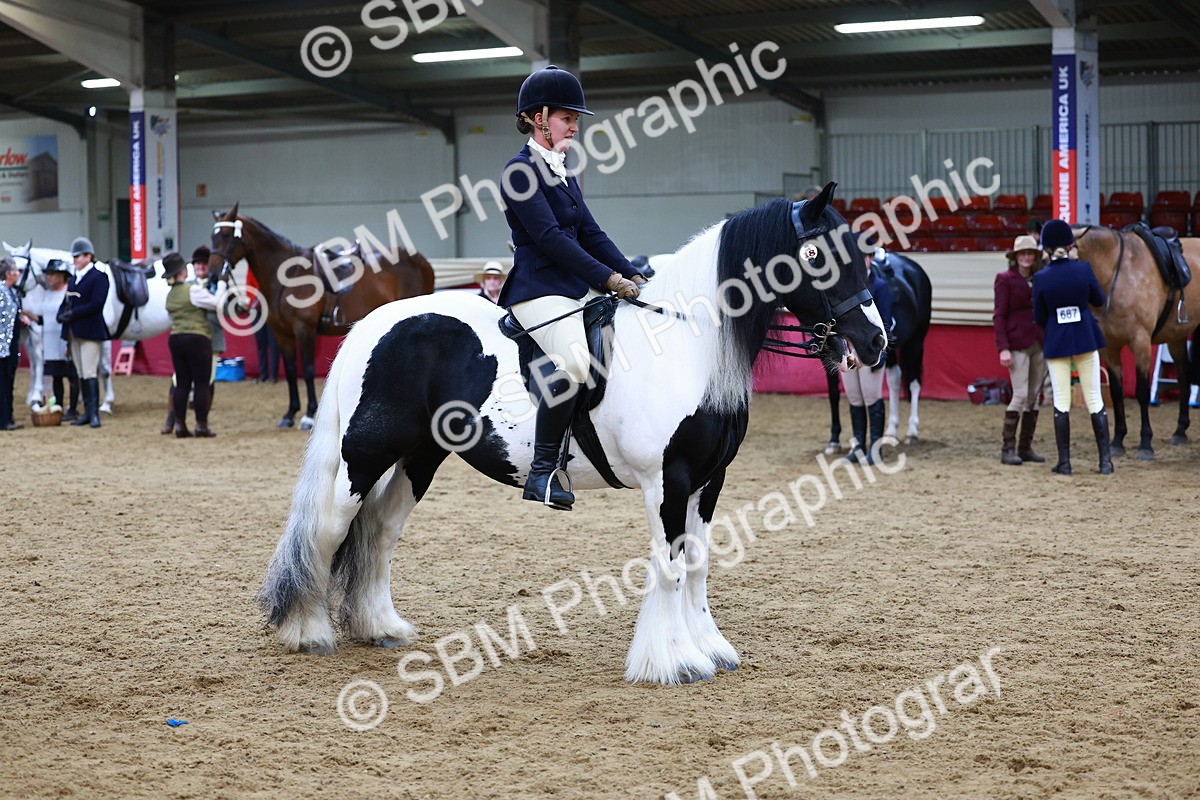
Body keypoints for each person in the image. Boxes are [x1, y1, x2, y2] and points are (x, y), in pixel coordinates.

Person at [500, 64, 647, 510]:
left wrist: (634, 273)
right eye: (568, 118)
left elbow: (591, 233)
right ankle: (543, 472)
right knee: (574, 362)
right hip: (537, 290)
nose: (575, 127)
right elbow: (550, 239)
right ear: (538, 117)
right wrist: (607, 279)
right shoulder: (519, 172)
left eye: (576, 119)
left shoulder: (563, 172)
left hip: (573, 290)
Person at [1032, 219, 1112, 475]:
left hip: (1058, 342)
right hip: (1085, 338)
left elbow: (1039, 317)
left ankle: (1065, 463)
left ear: (1046, 248)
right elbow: (1098, 300)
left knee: (1061, 401)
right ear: (1069, 245)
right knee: (1094, 399)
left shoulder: (1041, 278)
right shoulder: (1084, 269)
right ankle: (1105, 462)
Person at [993, 235, 1047, 465]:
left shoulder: (1040, 279)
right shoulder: (1005, 279)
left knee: (1034, 396)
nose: (1026, 257)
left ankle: (1025, 448)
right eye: (1023, 253)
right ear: (1016, 257)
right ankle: (1008, 449)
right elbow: (999, 315)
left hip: (1039, 342)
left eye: (1030, 253)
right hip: (1016, 343)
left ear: (1035, 257)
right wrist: (1002, 348)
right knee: (1021, 394)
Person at [841, 251, 893, 463]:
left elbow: (887, 323)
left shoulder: (880, 286)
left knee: (872, 397)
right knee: (854, 397)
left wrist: (879, 354)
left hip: (869, 352)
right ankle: (859, 446)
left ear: (870, 258)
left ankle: (876, 448)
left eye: (864, 256)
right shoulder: (844, 286)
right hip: (849, 351)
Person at [163, 252, 219, 437]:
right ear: (182, 271)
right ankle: (201, 425)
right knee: (202, 383)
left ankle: (179, 425)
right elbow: (216, 303)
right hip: (197, 338)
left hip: (176, 338)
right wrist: (223, 285)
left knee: (182, 383)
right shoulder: (192, 290)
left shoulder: (170, 294)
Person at [18, 259, 80, 422]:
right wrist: (29, 315)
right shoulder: (48, 294)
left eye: (53, 274)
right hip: (50, 340)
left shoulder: (69, 293)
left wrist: (68, 340)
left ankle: (73, 408)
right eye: (48, 275)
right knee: (56, 376)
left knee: (72, 376)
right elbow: (45, 318)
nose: (49, 278)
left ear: (62, 276)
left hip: (65, 339)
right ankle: (58, 405)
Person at [60, 236, 110, 429]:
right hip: (74, 331)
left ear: (89, 256)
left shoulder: (99, 277)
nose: (75, 261)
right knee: (81, 372)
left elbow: (97, 304)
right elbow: (67, 301)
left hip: (90, 330)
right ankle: (87, 413)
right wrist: (61, 313)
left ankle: (94, 413)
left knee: (89, 372)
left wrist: (73, 313)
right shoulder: (74, 279)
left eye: (78, 257)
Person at [0, 259, 23, 430]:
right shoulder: (2, 291)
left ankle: (8, 416)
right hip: (2, 346)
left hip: (9, 344)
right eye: (16, 270)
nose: (18, 273)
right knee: (3, 382)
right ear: (8, 273)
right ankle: (4, 419)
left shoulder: (10, 292)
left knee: (8, 380)